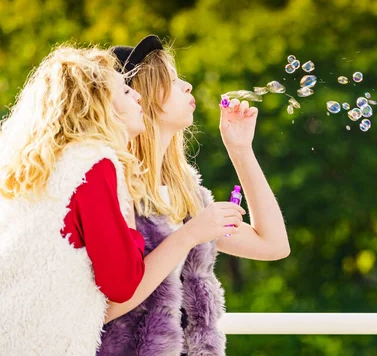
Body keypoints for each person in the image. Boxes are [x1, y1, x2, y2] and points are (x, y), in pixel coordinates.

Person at [98, 35, 290, 356]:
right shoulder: (114, 187)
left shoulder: (185, 194)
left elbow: (273, 245)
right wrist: (188, 236)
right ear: (139, 97)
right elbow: (106, 308)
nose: (187, 86)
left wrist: (241, 150)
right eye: (172, 80)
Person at [0, 45, 146, 354]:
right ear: (99, 103)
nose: (137, 96)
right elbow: (122, 283)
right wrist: (130, 221)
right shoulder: (93, 162)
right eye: (124, 89)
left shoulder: (26, 167)